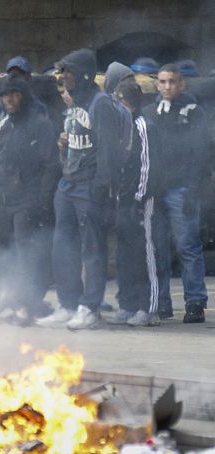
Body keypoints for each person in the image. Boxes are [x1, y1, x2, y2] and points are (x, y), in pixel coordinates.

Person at [35, 48, 124, 330]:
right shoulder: (75, 103)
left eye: (69, 71)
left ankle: (90, 308)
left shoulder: (101, 104)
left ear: (85, 73)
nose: (64, 77)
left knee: (92, 249)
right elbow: (76, 142)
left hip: (89, 187)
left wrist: (100, 187)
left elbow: (109, 151)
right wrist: (64, 147)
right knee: (62, 246)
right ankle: (68, 304)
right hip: (68, 185)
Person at [0, 74, 59, 325]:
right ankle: (14, 301)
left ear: (24, 96)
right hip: (4, 199)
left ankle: (29, 303)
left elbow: (51, 165)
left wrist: (41, 199)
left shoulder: (40, 124)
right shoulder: (4, 124)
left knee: (27, 252)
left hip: (28, 199)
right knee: (7, 252)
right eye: (5, 95)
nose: (9, 99)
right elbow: (0, 163)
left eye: (14, 93)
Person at [143, 63, 210, 323]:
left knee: (187, 247)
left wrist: (194, 189)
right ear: (157, 84)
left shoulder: (195, 113)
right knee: (157, 249)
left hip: (182, 189)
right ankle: (161, 303)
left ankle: (195, 303)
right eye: (162, 81)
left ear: (182, 84)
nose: (167, 86)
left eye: (172, 81)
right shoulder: (150, 113)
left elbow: (202, 152)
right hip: (155, 192)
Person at [111, 80, 161, 327]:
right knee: (125, 253)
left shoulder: (143, 126)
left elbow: (147, 165)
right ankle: (128, 303)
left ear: (126, 102)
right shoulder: (121, 127)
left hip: (142, 199)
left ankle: (149, 307)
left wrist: (139, 197)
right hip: (122, 198)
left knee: (145, 251)